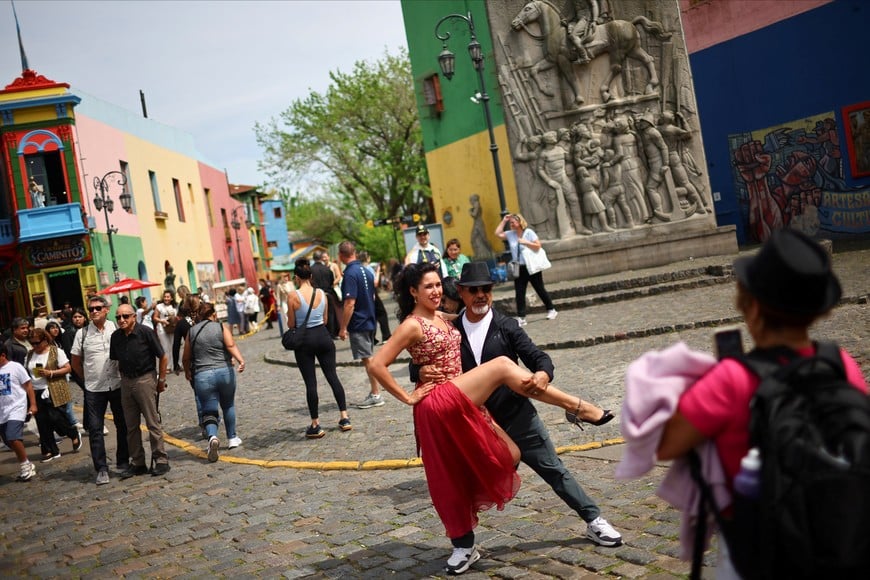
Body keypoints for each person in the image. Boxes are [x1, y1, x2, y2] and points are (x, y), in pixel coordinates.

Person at [368, 262, 613, 574]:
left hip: (500, 412)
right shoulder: (422, 323)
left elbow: (537, 357)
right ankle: (579, 407)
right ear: (462, 293)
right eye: (473, 290)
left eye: (486, 289)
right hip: (444, 405)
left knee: (515, 457)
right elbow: (382, 363)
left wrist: (542, 372)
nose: (480, 294)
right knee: (499, 366)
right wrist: (409, 391)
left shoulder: (469, 322)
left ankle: (592, 519)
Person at [656, 229, 867, 574]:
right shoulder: (840, 362)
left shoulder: (730, 379)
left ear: (751, 307)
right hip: (840, 536)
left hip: (758, 551)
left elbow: (665, 446)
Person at [286, 259, 351, 439]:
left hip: (304, 341)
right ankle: (344, 417)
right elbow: (324, 319)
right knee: (332, 377)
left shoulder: (292, 296)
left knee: (311, 383)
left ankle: (315, 424)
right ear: (311, 276)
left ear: (296, 277)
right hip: (323, 337)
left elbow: (291, 323)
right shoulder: (322, 293)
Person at [70, 295, 129, 485]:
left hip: (117, 384)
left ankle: (122, 461)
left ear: (106, 310)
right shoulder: (83, 333)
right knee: (95, 429)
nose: (93, 312)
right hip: (94, 389)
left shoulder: (115, 328)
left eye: (97, 308)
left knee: (122, 424)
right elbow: (75, 362)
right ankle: (101, 468)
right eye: (91, 309)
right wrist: (87, 378)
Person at [110, 303, 170, 478]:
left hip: (145, 379)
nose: (121, 320)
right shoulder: (116, 337)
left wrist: (161, 380)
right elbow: (115, 361)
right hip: (126, 382)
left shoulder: (145, 332)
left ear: (133, 317)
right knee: (131, 426)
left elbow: (163, 356)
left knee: (152, 422)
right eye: (118, 317)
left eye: (125, 316)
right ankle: (138, 462)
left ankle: (161, 460)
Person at [182, 302, 245, 462]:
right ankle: (232, 438)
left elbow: (186, 356)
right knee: (228, 405)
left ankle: (212, 437)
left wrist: (188, 371)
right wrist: (240, 360)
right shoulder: (220, 327)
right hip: (224, 372)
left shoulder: (192, 331)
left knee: (208, 409)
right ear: (213, 314)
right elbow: (230, 344)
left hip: (203, 376)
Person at [337, 241, 383, 409]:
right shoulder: (367, 270)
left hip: (359, 322)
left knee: (368, 359)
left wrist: (343, 327)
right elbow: (372, 296)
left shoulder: (350, 274)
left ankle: (376, 393)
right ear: (354, 253)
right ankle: (375, 391)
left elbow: (349, 303)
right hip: (370, 318)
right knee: (369, 357)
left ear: (341, 256)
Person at [25, 328, 82, 462]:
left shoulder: (56, 351)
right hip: (36, 390)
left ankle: (72, 433)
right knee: (42, 421)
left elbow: (68, 368)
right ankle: (50, 449)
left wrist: (51, 373)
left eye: (37, 343)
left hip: (54, 389)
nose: (34, 346)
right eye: (32, 343)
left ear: (45, 340)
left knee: (56, 418)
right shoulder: (29, 355)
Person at [495, 213, 558, 326]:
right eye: (510, 223)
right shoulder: (510, 234)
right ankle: (521, 317)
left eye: (513, 222)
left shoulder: (529, 232)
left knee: (539, 289)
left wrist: (526, 242)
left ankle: (551, 310)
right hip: (519, 268)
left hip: (531, 267)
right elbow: (497, 234)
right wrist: (504, 221)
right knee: (519, 292)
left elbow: (538, 246)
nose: (511, 224)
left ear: (519, 222)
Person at [0, 343, 38, 481]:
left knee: (13, 437)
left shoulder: (15, 367)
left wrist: (33, 404)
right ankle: (27, 462)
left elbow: (28, 385)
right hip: (2, 411)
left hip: (17, 407)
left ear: (3, 355)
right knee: (9, 441)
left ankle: (24, 465)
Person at [45, 320, 82, 431]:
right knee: (62, 401)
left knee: (66, 398)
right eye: (52, 328)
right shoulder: (48, 345)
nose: (55, 329)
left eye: (57, 327)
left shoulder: (59, 342)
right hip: (54, 376)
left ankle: (69, 421)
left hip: (63, 373)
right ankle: (70, 421)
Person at [359, 250, 391, 343]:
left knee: (371, 315)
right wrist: (377, 271)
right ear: (367, 258)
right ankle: (386, 335)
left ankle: (372, 338)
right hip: (372, 293)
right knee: (382, 314)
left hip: (363, 295)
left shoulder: (359, 268)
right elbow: (375, 282)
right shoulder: (368, 268)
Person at [311, 250, 341, 339]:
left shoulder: (311, 270)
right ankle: (332, 333)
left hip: (316, 295)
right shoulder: (327, 269)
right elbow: (332, 281)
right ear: (321, 258)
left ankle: (321, 333)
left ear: (313, 258)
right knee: (331, 314)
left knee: (318, 314)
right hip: (328, 293)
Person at [152, 290, 177, 368]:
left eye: (168, 297)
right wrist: (162, 320)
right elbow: (154, 317)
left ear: (171, 298)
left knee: (173, 346)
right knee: (165, 347)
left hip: (172, 328)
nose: (166, 298)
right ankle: (168, 366)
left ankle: (175, 365)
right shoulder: (159, 306)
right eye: (165, 297)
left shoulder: (174, 307)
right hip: (162, 329)